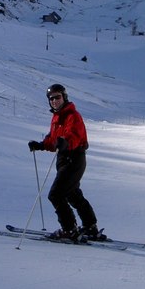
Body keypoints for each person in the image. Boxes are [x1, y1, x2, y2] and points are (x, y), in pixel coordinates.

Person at [28, 83, 102, 241]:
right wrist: (41, 145)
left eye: (57, 97)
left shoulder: (72, 115)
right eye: (51, 98)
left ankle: (69, 229)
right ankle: (90, 226)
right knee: (72, 193)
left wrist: (66, 143)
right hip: (64, 159)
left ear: (64, 97)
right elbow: (54, 139)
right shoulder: (57, 116)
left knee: (56, 194)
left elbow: (74, 135)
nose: (54, 101)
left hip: (74, 158)